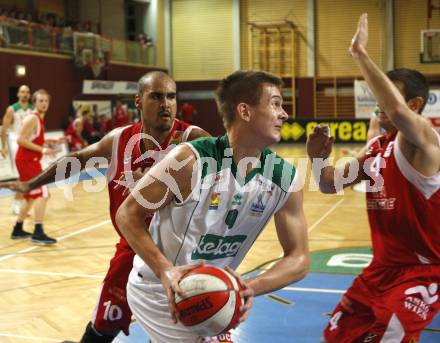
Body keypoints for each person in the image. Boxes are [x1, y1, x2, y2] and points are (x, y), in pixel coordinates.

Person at [0, 71, 209, 342]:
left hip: (182, 253)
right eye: (156, 96)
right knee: (103, 326)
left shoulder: (194, 138)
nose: (165, 104)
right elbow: (75, 160)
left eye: (170, 97)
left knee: (177, 332)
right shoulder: (119, 140)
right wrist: (30, 184)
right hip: (132, 249)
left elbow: (221, 189)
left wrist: (155, 182)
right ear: (138, 101)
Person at [116, 70, 310, 343]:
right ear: (245, 111)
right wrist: (165, 270)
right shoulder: (190, 160)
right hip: (157, 288)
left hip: (212, 292)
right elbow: (127, 214)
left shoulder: (285, 178)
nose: (284, 113)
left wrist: (246, 288)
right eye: (275, 103)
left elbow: (299, 259)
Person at [307, 14, 440, 343]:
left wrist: (360, 53)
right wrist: (317, 158)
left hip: (421, 271)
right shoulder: (379, 148)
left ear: (415, 104)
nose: (377, 100)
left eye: (387, 93)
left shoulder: (425, 139)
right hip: (379, 270)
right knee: (333, 337)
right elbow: (329, 184)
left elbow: (396, 113)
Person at [9, 89, 58, 244]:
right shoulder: (32, 118)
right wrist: (43, 149)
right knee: (43, 193)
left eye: (46, 101)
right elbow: (20, 140)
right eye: (40, 101)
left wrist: (50, 142)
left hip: (29, 160)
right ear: (34, 102)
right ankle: (38, 232)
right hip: (26, 161)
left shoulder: (39, 118)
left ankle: (18, 229)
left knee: (30, 196)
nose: (44, 103)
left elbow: (32, 140)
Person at [1, 85, 33, 214]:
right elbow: (4, 128)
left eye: (27, 92)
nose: (25, 94)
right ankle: (16, 204)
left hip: (29, 144)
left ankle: (19, 203)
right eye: (22, 92)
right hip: (16, 144)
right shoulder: (12, 109)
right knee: (23, 175)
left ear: (29, 95)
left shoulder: (33, 109)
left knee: (27, 176)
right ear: (18, 94)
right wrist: (3, 146)